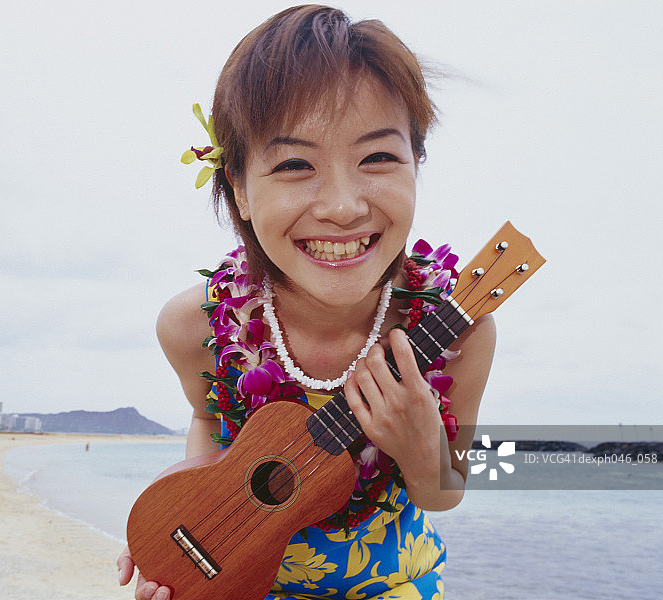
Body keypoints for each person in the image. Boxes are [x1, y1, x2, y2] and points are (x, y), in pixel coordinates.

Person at [119, 5, 495, 599]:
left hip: (395, 582)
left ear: (417, 163)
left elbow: (443, 492)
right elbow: (209, 421)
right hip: (239, 577)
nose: (343, 206)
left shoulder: (458, 331)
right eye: (295, 164)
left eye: (377, 157)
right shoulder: (197, 327)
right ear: (239, 187)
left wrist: (423, 451)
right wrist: (183, 514)